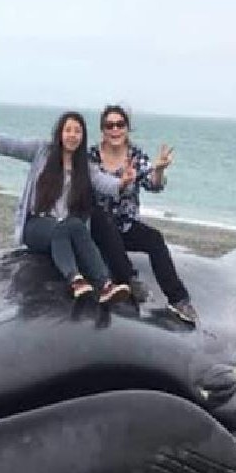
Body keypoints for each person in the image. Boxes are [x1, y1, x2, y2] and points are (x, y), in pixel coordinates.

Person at [0, 109, 133, 303]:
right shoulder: (42, 151)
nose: (72, 135)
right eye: (68, 130)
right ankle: (74, 279)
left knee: (74, 225)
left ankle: (105, 285)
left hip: (64, 226)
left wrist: (123, 182)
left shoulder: (84, 166)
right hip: (36, 225)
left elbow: (104, 183)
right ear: (60, 133)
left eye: (77, 131)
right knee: (63, 228)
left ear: (82, 137)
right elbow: (13, 147)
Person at [87, 104, 199, 325]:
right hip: (99, 227)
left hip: (125, 226)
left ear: (127, 128)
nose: (115, 129)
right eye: (110, 125)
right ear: (103, 130)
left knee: (155, 239)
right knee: (100, 217)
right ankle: (129, 279)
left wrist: (159, 169)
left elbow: (154, 185)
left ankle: (178, 299)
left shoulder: (136, 156)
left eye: (120, 124)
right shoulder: (91, 156)